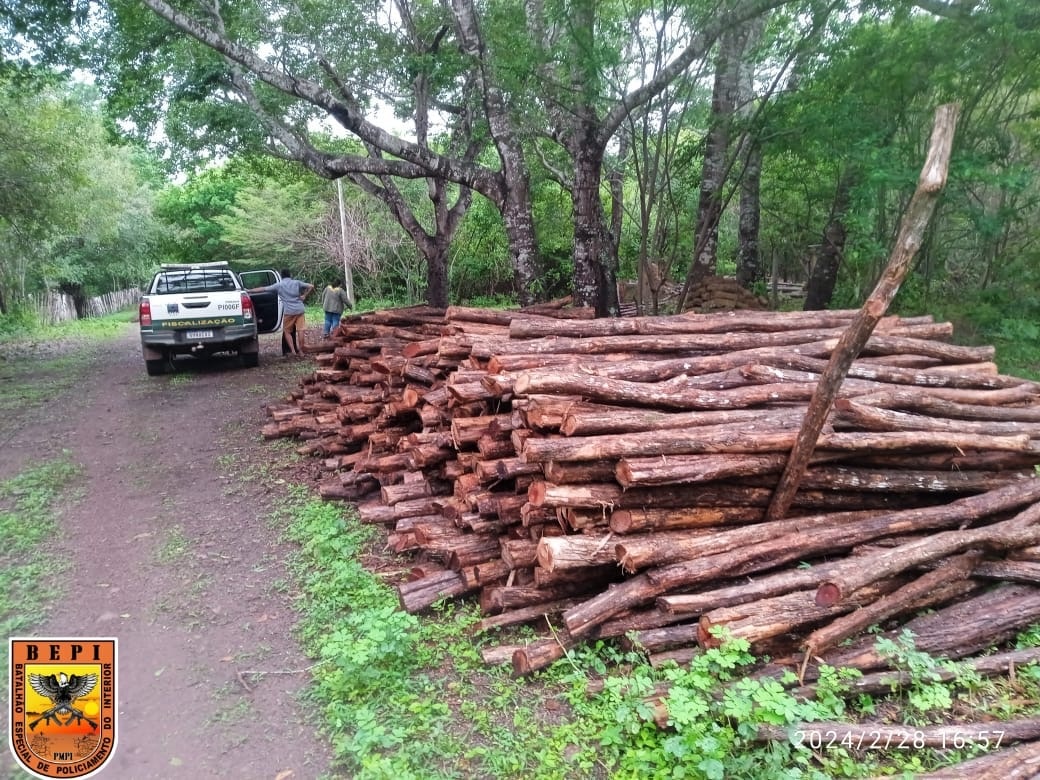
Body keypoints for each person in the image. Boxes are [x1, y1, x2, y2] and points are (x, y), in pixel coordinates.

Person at [249, 270, 314, 357]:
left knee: (287, 331)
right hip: (300, 310)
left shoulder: (279, 285)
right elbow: (311, 286)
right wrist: (304, 295)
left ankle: (293, 351)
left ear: (281, 275)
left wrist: (249, 290)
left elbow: (263, 288)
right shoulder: (297, 283)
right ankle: (301, 351)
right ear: (290, 275)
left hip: (289, 312)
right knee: (301, 330)